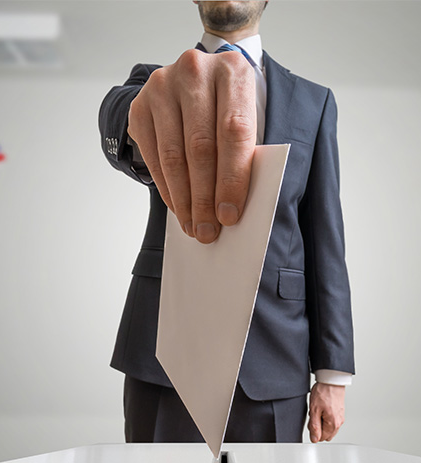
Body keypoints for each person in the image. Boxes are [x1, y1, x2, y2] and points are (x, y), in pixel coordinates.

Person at [98, 1, 354, 444]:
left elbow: (325, 240)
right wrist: (146, 107)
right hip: (165, 350)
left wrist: (332, 374)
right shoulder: (153, 85)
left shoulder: (314, 102)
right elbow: (120, 119)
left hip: (274, 357)